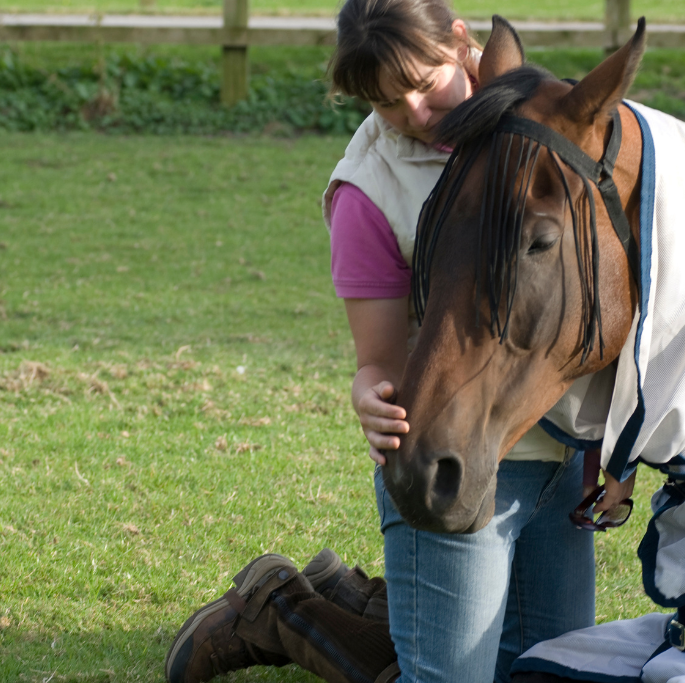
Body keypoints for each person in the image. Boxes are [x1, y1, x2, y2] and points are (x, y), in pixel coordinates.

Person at [163, 2, 596, 683]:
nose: (417, 116)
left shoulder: (547, 120)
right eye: (388, 104)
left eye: (425, 85)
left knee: (554, 675)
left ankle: (350, 597)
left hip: (560, 462)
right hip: (458, 467)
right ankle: (279, 610)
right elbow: (381, 362)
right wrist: (369, 392)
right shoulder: (370, 193)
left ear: (460, 42)